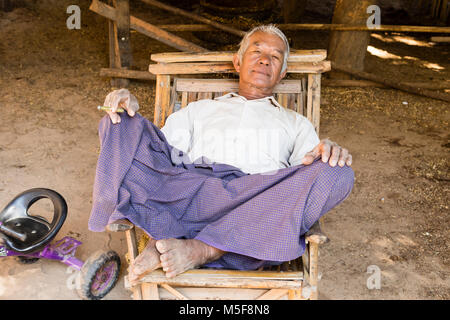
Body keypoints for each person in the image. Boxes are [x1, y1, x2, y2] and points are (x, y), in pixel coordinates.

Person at [90, 25, 354, 280]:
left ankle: (202, 249)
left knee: (338, 173)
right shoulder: (199, 110)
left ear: (282, 73)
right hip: (193, 194)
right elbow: (159, 152)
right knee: (118, 123)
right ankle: (181, 239)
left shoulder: (296, 123)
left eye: (275, 57)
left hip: (255, 202)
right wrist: (130, 116)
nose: (264, 61)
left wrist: (328, 152)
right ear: (237, 63)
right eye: (257, 52)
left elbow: (304, 179)